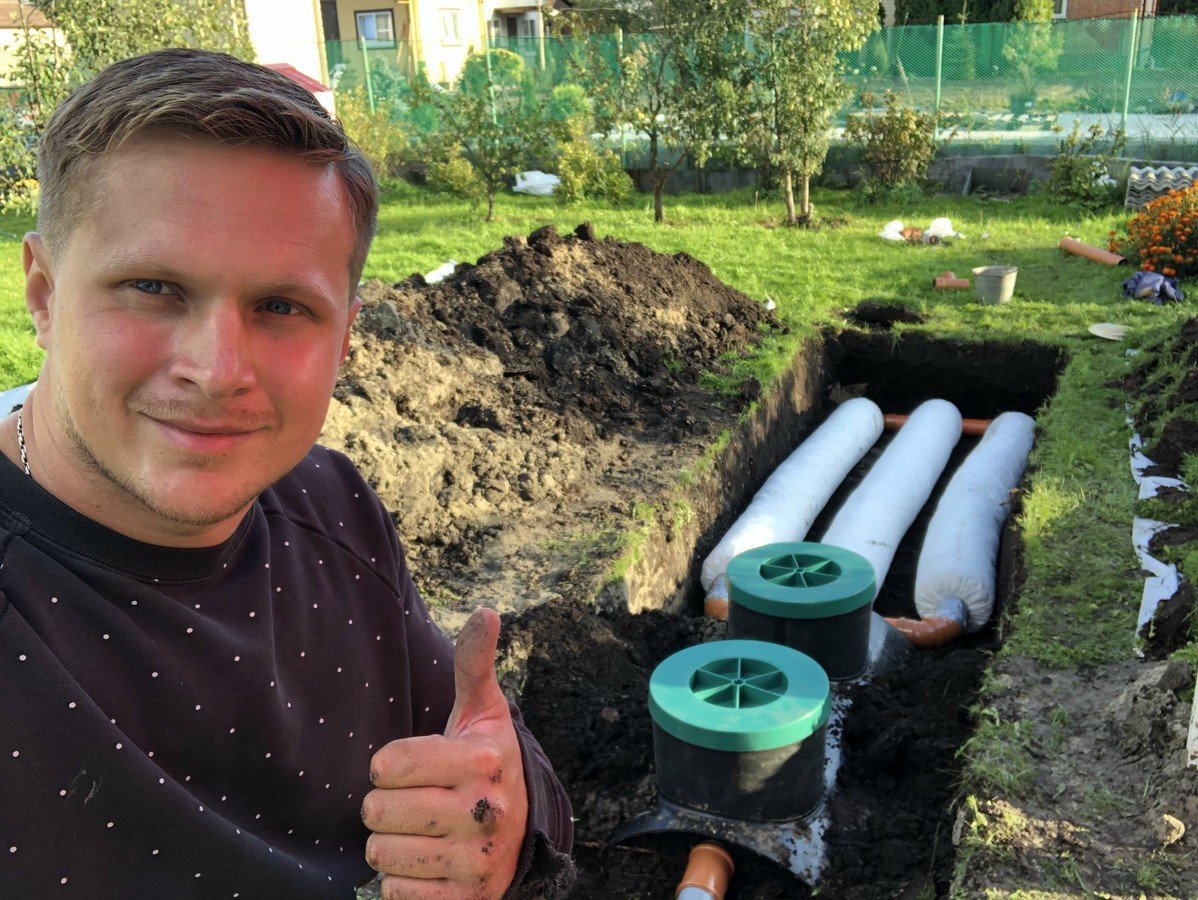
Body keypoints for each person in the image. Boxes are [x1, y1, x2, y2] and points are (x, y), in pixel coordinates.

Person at [0, 49, 573, 899]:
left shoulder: (330, 507)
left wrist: (510, 814)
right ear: (44, 295)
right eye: (154, 287)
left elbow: (487, 772)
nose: (218, 370)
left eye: (280, 306)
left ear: (344, 338)